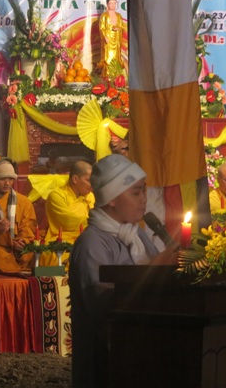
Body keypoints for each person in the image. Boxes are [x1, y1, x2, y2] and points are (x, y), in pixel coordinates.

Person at [69, 154, 170, 388]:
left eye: (144, 191)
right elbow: (103, 307)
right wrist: (154, 270)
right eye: (136, 193)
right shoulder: (92, 244)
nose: (144, 200)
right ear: (112, 198)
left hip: (142, 354)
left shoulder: (136, 234)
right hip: (106, 366)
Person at [40, 161, 95, 267]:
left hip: (88, 238)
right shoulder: (56, 195)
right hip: (63, 238)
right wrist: (95, 222)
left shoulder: (90, 196)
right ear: (75, 179)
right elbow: (68, 221)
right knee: (52, 254)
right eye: (88, 180)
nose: (91, 185)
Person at [98, 0, 126, 79]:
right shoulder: (104, 16)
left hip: (116, 39)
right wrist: (105, 36)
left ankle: (116, 77)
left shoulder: (119, 15)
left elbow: (122, 26)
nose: (113, 5)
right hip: (108, 39)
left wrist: (118, 28)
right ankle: (107, 76)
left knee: (116, 57)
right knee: (108, 57)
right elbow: (102, 28)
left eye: (114, 3)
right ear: (107, 4)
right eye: (111, 3)